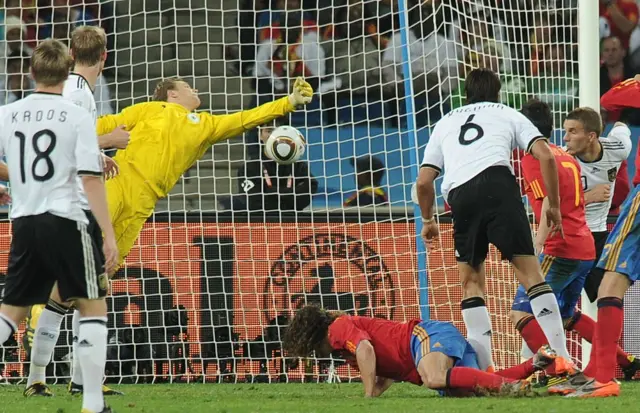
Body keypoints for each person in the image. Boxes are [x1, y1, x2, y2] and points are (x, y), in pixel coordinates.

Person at [18, 75, 314, 389]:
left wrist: (289, 103)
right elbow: (101, 125)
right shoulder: (145, 110)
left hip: (143, 205)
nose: (195, 90)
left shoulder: (205, 125)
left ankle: (52, 378)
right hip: (116, 184)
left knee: (97, 283)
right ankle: (42, 339)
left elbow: (244, 119)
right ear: (171, 94)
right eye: (188, 87)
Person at [415, 68, 574, 373]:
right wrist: (553, 205)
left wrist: (427, 220)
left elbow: (424, 182)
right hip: (499, 186)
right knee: (531, 276)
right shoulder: (506, 112)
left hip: (460, 195)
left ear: (465, 93)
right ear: (498, 92)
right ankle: (563, 358)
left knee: (471, 283)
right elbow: (547, 156)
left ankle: (484, 372)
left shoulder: (445, 121)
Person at [0, 39, 118, 413]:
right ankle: (93, 403)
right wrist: (108, 233)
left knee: (11, 311)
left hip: (25, 221)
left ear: (31, 73)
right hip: (68, 219)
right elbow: (91, 178)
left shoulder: (8, 113)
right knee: (92, 306)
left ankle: (45, 377)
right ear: (68, 73)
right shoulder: (76, 114)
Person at [283, 305, 560, 397]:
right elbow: (387, 369)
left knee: (435, 378)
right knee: (474, 387)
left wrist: (367, 398)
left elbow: (366, 349)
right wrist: (377, 389)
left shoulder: (337, 328)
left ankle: (513, 387)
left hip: (424, 336)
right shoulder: (343, 349)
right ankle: (533, 367)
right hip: (421, 350)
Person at [221, 119, 318, 212]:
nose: (274, 136)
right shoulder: (249, 168)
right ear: (260, 135)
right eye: (269, 131)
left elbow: (304, 198)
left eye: (277, 131)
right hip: (259, 226)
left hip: (292, 225)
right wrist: (289, 194)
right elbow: (254, 203)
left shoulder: (299, 166)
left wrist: (270, 191)